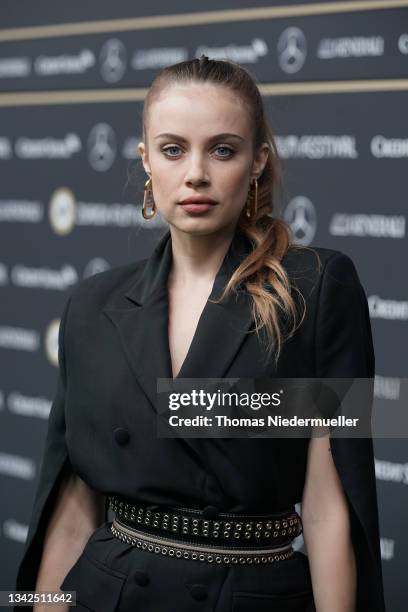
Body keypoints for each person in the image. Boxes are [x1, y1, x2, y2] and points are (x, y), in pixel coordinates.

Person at [15, 55, 385, 612]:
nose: (196, 174)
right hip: (107, 593)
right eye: (172, 149)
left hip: (252, 595)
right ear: (146, 161)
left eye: (222, 149)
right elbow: (71, 507)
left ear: (257, 161)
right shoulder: (91, 304)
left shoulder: (318, 286)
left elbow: (329, 505)